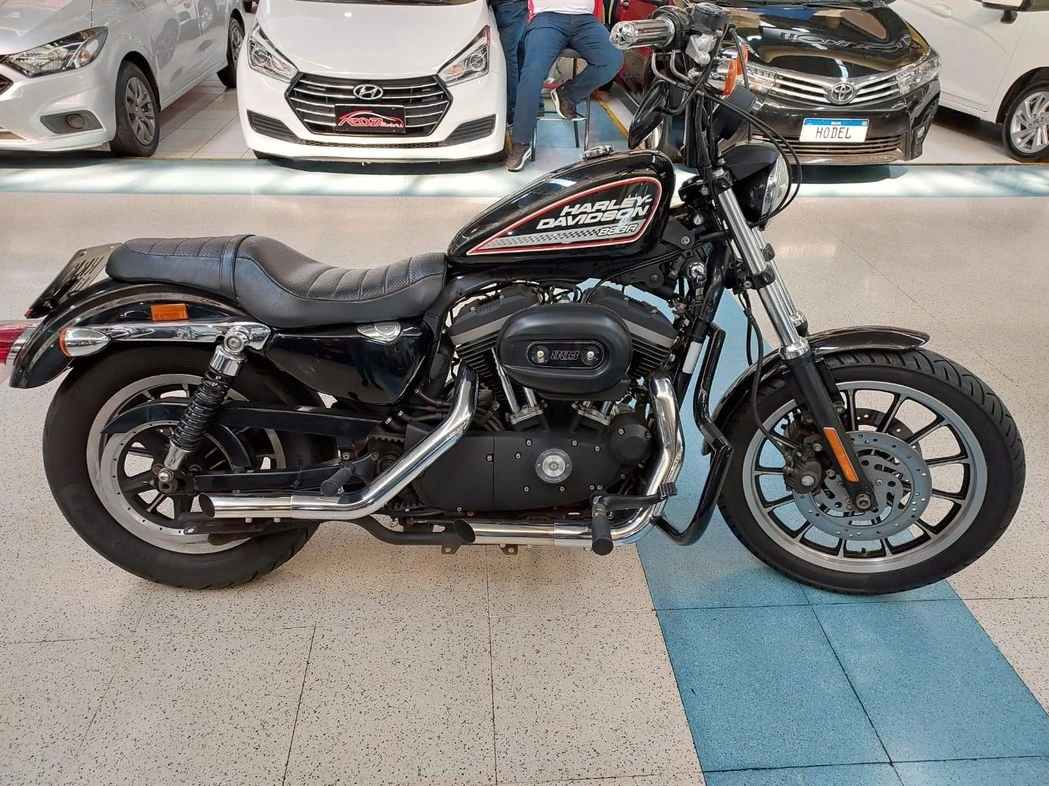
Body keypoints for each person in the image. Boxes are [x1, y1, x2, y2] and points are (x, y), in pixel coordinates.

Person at [505, 0, 623, 172]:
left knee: (613, 58)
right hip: (547, 18)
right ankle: (520, 142)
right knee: (532, 72)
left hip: (585, 19)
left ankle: (567, 94)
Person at [491, 0, 529, 128]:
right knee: (519, 55)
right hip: (517, 7)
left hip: (507, 6)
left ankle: (513, 111)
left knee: (506, 59)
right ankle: (526, 107)